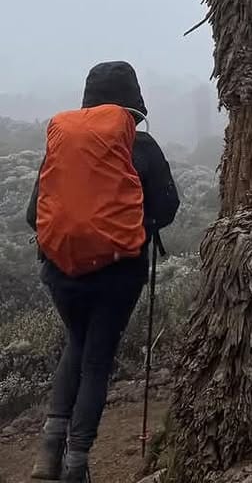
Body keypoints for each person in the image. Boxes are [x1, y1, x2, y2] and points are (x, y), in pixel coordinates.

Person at [27, 62, 180, 482]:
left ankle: (47, 449)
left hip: (61, 273)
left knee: (76, 343)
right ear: (133, 103)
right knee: (96, 361)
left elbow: (31, 214)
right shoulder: (142, 146)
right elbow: (167, 208)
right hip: (118, 274)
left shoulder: (62, 145)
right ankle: (76, 464)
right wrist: (137, 223)